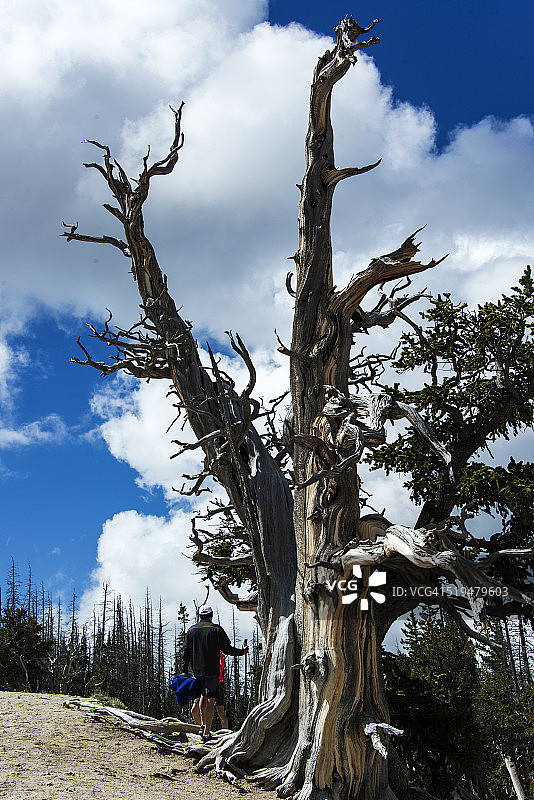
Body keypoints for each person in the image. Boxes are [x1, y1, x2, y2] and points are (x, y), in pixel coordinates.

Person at [183, 605, 248, 742]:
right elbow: (227, 649)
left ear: (200, 615)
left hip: (197, 671)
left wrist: (184, 670)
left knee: (202, 695)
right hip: (212, 670)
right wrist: (242, 652)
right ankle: (206, 732)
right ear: (211, 615)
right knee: (211, 699)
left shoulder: (191, 630)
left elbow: (186, 652)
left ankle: (202, 726)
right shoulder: (216, 629)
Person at [192, 652, 228, 730]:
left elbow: (220, 666)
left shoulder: (218, 654)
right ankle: (202, 729)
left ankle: (225, 732)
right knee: (194, 710)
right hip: (203, 682)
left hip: (217, 683)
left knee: (220, 711)